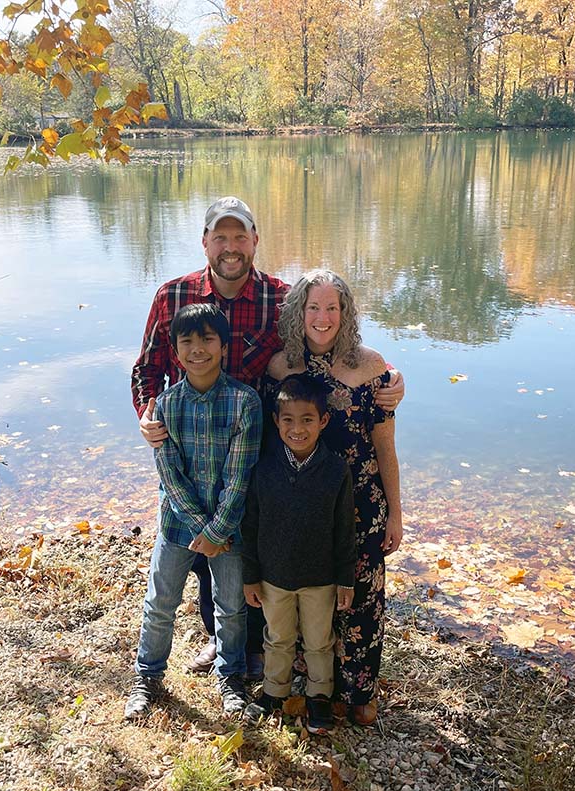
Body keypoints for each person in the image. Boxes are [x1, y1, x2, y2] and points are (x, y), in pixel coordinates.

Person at [131, 196, 405, 676]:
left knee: (252, 543)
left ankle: (261, 645)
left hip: (259, 448)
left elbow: (327, 344)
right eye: (221, 237)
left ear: (256, 241)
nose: (231, 248)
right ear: (205, 242)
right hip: (192, 447)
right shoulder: (172, 297)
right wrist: (148, 412)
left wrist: (389, 377)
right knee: (201, 551)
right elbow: (147, 369)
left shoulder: (281, 299)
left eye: (241, 237)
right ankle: (221, 641)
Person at [264, 269, 403, 727]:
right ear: (298, 313)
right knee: (310, 596)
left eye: (332, 308)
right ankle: (315, 691)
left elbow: (386, 447)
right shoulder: (281, 368)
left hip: (362, 506)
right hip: (303, 508)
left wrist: (396, 515)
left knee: (360, 599)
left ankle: (360, 691)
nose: (322, 318)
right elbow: (270, 443)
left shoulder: (372, 367)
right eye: (313, 308)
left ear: (346, 315)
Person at [124, 304, 262, 719]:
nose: (197, 349)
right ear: (175, 350)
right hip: (176, 526)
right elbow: (169, 475)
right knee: (160, 602)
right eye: (187, 341)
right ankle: (147, 676)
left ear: (223, 346)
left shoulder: (245, 402)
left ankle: (231, 677)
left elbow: (239, 479)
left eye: (207, 339)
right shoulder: (164, 406)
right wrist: (202, 530)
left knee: (231, 606)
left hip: (229, 528)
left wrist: (217, 532)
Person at [242, 374, 356, 734]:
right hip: (273, 577)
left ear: (323, 422)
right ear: (276, 421)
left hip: (320, 579)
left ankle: (319, 696)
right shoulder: (264, 469)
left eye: (307, 419)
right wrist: (250, 575)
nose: (297, 429)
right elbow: (251, 526)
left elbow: (344, 531)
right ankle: (275, 691)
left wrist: (345, 579)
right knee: (277, 637)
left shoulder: (336, 471)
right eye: (288, 420)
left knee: (320, 641)